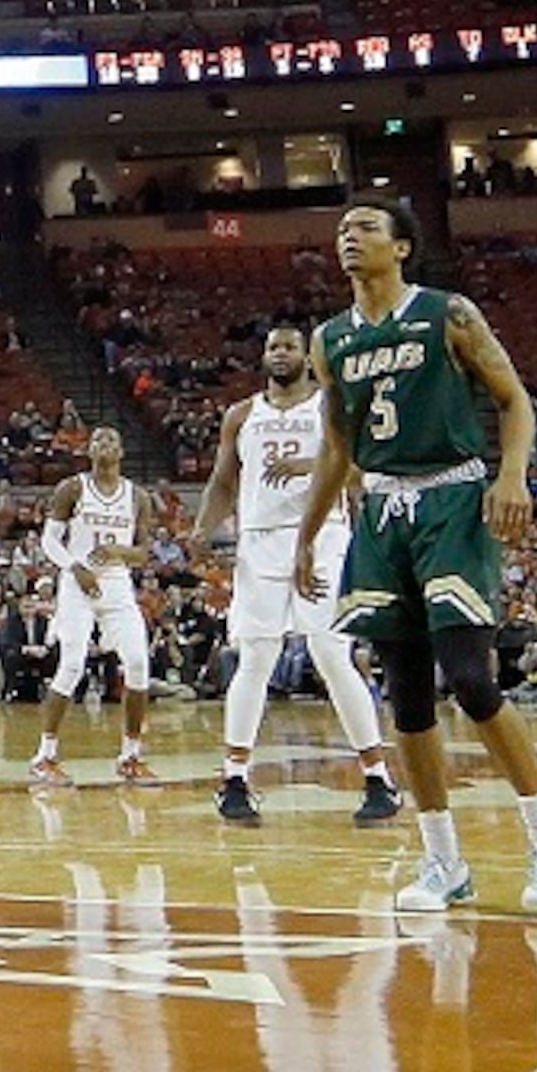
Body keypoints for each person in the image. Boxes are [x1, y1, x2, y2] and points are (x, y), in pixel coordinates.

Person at [294, 197, 537, 914]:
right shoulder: (330, 341)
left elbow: (516, 401)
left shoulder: (446, 313)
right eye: (342, 230)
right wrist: (307, 533)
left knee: (471, 680)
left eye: (365, 228)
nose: (348, 238)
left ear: (401, 247)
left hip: (453, 498)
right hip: (382, 511)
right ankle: (443, 860)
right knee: (408, 699)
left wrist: (512, 475)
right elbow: (338, 447)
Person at [195, 324, 401, 828]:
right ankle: (234, 780)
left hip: (325, 535)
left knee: (332, 653)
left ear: (307, 356)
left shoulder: (332, 406)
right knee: (256, 657)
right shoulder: (241, 415)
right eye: (272, 346)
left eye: (289, 346)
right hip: (260, 541)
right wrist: (203, 529)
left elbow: (361, 470)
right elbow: (223, 480)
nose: (279, 353)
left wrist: (312, 463)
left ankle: (378, 778)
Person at [27, 427, 160, 789]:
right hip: (76, 583)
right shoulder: (72, 488)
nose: (105, 445)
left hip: (116, 583)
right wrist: (75, 567)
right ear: (88, 450)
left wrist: (118, 552)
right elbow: (50, 540)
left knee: (137, 663)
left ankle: (130, 755)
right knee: (71, 664)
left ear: (122, 451)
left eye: (112, 440)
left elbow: (143, 553)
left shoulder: (137, 496)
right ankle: (44, 756)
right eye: (98, 440)